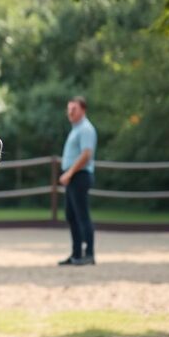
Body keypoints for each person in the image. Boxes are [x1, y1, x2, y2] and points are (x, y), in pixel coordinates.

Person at [58, 96, 98, 266]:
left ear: (83, 110)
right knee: (72, 215)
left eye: (73, 109)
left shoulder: (86, 129)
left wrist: (70, 173)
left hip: (79, 176)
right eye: (69, 109)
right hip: (73, 177)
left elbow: (86, 155)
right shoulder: (76, 129)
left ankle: (88, 253)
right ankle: (76, 254)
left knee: (82, 216)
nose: (70, 112)